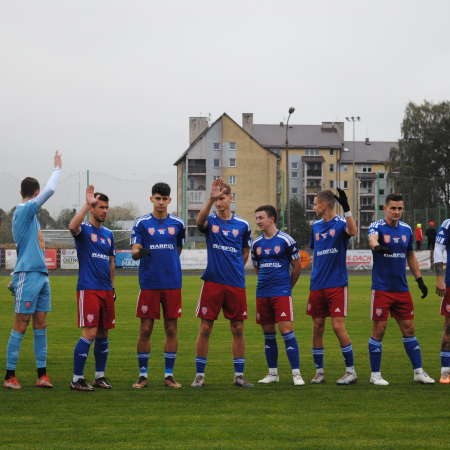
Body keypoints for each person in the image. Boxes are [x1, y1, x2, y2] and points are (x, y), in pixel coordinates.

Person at [4, 151, 62, 389]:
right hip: (28, 275)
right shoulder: (25, 209)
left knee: (40, 324)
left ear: (21, 190)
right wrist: (57, 168)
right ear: (35, 194)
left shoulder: (30, 215)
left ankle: (42, 375)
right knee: (22, 324)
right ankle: (9, 377)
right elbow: (50, 191)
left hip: (40, 275)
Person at [192, 178, 253, 388]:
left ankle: (239, 375)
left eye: (222, 198)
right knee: (205, 328)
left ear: (230, 198)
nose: (219, 203)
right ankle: (199, 375)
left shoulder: (243, 225)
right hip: (213, 283)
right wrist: (209, 198)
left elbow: (246, 251)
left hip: (235, 283)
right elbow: (199, 223)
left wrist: (235, 267)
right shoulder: (211, 222)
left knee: (237, 328)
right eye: (216, 199)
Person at [368, 193, 433, 385]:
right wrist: (377, 246)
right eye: (393, 208)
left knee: (409, 330)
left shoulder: (406, 229)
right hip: (382, 288)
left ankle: (418, 371)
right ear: (385, 208)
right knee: (379, 330)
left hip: (402, 289)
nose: (396, 212)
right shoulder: (377, 226)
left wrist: (420, 281)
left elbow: (411, 256)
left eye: (400, 208)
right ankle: (375, 375)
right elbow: (372, 239)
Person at [130, 182, 186, 389]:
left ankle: (169, 375)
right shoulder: (141, 223)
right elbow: (135, 251)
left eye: (164, 199)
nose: (161, 202)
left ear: (169, 200)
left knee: (171, 329)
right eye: (157, 198)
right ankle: (142, 375)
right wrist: (141, 252)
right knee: (145, 329)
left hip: (172, 283)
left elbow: (177, 249)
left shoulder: (178, 224)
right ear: (151, 199)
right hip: (149, 284)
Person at [307, 189, 358, 385]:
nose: (313, 207)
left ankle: (351, 371)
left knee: (338, 327)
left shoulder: (341, 225)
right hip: (317, 285)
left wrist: (346, 209)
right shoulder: (316, 227)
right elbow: (316, 255)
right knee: (317, 327)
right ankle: (319, 372)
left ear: (324, 205)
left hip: (336, 284)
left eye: (314, 203)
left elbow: (353, 232)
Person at [68, 186, 116, 391]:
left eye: (106, 207)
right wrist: (87, 203)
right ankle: (76, 379)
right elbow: (72, 226)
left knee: (103, 333)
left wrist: (112, 288)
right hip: (88, 288)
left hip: (106, 290)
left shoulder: (109, 234)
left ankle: (99, 376)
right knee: (90, 332)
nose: (104, 211)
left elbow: (111, 261)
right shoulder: (84, 229)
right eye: (100, 207)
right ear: (92, 209)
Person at [251, 205, 304, 385]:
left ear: (271, 219)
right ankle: (273, 374)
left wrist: (287, 287)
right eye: (257, 218)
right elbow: (257, 267)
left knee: (286, 332)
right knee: (268, 334)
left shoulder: (286, 240)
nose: (258, 221)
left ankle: (296, 374)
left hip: (281, 292)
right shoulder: (256, 243)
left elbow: (297, 267)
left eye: (261, 218)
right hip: (262, 293)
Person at [433, 219, 450, 383]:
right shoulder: (448, 224)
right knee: (449, 327)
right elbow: (438, 249)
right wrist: (439, 277)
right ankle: (446, 371)